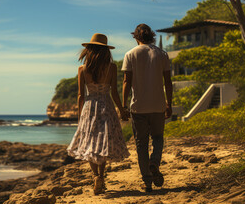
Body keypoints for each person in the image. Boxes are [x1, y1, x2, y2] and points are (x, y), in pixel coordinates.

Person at [67, 33, 130, 195]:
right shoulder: (111, 67)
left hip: (89, 107)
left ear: (89, 50)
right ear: (105, 51)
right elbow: (115, 92)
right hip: (106, 106)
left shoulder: (82, 69)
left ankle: (95, 176)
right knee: (103, 143)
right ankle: (101, 177)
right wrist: (122, 110)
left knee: (90, 143)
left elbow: (81, 95)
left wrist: (81, 115)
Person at [122, 24, 173, 192]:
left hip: (138, 107)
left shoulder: (130, 54)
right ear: (151, 36)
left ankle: (147, 181)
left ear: (136, 37)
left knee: (141, 144)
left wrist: (123, 106)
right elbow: (168, 82)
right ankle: (154, 162)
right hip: (158, 105)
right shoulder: (162, 54)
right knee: (158, 138)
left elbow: (126, 82)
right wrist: (169, 104)